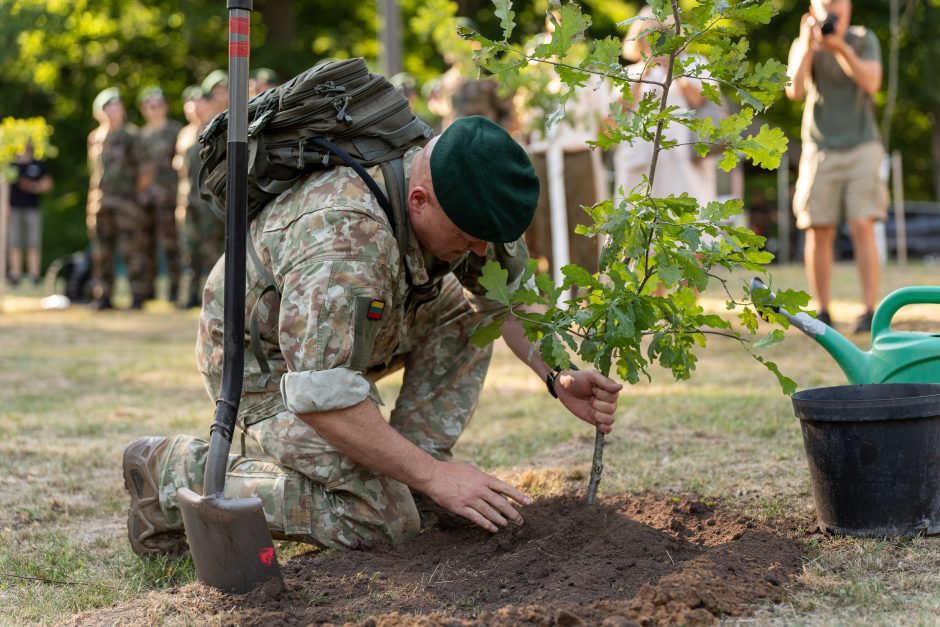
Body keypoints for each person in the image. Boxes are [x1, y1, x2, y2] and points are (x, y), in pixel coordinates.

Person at [122, 115, 622, 556]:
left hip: (365, 325)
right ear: (419, 200)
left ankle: (412, 478)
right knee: (380, 521)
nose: (477, 250)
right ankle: (174, 470)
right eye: (467, 240)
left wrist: (557, 373)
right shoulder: (344, 236)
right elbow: (322, 397)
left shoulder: (471, 197)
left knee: (466, 312)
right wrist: (432, 476)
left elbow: (507, 304)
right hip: (267, 363)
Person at [786, 0, 886, 332]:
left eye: (837, 4)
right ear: (813, 8)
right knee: (818, 228)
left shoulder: (863, 39)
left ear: (850, 8)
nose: (832, 11)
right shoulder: (804, 44)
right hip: (820, 146)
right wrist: (807, 46)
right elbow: (795, 90)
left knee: (862, 225)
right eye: (825, 5)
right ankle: (823, 311)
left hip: (862, 144)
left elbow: (872, 82)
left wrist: (839, 46)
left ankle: (869, 310)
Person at [614, 6, 717, 207]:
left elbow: (700, 100)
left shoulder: (694, 64)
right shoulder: (630, 72)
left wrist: (674, 69)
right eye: (650, 35)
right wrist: (645, 69)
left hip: (684, 161)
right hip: (640, 159)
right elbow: (618, 110)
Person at [85, 88, 153, 310]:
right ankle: (103, 295)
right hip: (101, 202)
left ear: (122, 110)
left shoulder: (132, 137)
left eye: (116, 106)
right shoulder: (95, 138)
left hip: (126, 204)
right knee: (102, 252)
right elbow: (94, 171)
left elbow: (145, 172)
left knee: (132, 249)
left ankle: (137, 296)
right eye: (107, 107)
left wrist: (132, 197)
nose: (112, 111)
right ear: (99, 112)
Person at [174, 86, 224, 309]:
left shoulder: (217, 128)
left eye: (200, 101)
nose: (195, 106)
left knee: (211, 249)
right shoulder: (184, 133)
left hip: (209, 198)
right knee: (189, 249)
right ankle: (190, 295)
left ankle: (214, 295)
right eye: (190, 102)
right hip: (187, 199)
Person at [138, 86, 183, 304]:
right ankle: (148, 290)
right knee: (146, 246)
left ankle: (174, 289)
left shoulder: (175, 131)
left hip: (170, 197)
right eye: (150, 106)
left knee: (171, 245)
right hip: (146, 199)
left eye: (158, 105)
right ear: (144, 109)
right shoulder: (140, 136)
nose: (154, 110)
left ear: (165, 107)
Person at [6, 143, 52, 286]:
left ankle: (34, 276)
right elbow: (5, 186)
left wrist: (33, 187)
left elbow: (48, 183)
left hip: (33, 209)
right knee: (15, 243)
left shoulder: (37, 164)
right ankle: (15, 275)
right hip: (14, 209)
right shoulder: (11, 164)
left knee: (33, 243)